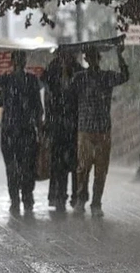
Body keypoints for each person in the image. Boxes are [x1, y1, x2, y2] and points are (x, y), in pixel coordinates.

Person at [0, 50, 43, 214]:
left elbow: (37, 107)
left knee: (26, 167)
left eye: (21, 59)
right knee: (12, 168)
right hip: (10, 131)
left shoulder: (31, 80)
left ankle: (26, 198)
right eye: (18, 59)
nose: (20, 62)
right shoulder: (7, 80)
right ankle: (16, 199)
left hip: (26, 130)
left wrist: (39, 127)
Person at [72, 44, 129, 217]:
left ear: (98, 58)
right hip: (85, 129)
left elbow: (125, 76)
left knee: (101, 170)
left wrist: (120, 56)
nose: (92, 60)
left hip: (103, 129)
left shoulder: (106, 77)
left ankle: (96, 202)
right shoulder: (79, 78)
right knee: (83, 167)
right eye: (89, 57)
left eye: (94, 57)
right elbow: (67, 90)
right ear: (86, 59)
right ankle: (81, 199)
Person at [41, 49, 84, 212]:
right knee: (58, 163)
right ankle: (59, 196)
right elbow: (47, 90)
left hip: (73, 124)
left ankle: (75, 196)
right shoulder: (52, 70)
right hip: (58, 125)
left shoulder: (78, 71)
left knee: (74, 163)